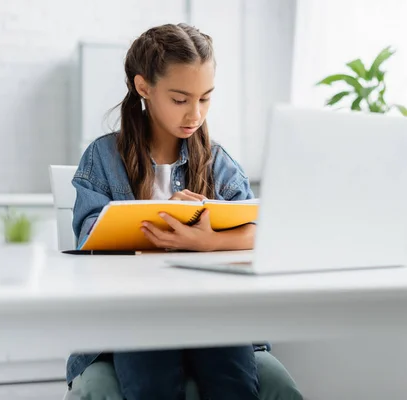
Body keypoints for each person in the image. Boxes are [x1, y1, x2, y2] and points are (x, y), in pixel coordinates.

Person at [67, 23, 302, 400]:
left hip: (212, 312)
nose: (195, 113)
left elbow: (264, 228)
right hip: (133, 315)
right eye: (180, 99)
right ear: (144, 88)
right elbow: (89, 240)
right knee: (151, 382)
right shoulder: (103, 158)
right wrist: (160, 216)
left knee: (234, 381)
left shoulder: (216, 162)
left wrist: (209, 241)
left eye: (205, 99)